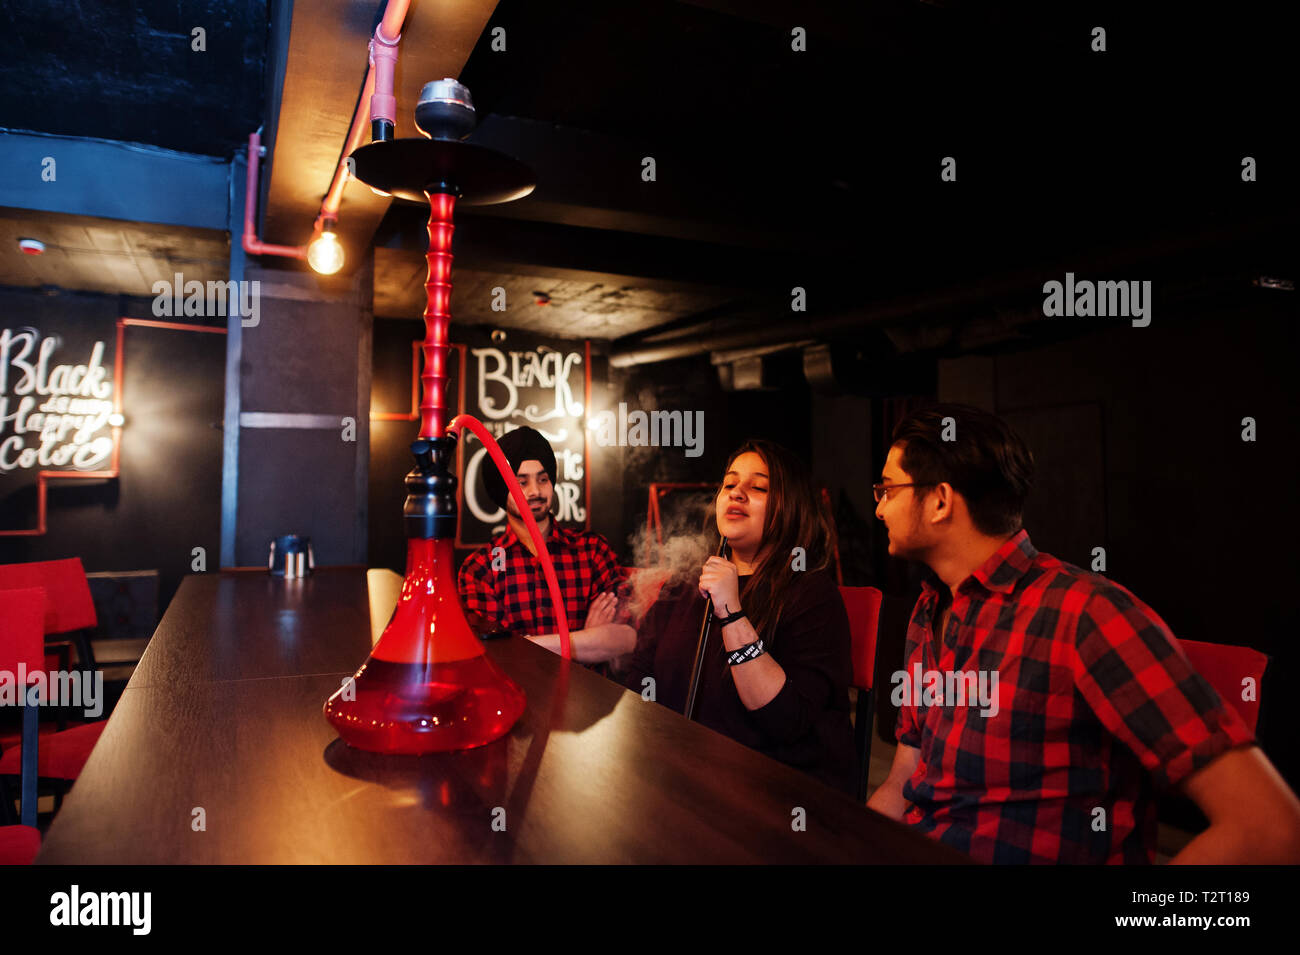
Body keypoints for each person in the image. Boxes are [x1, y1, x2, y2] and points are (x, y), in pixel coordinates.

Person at [867, 402, 1300, 863]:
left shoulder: (1087, 614)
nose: (878, 509)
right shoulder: (929, 606)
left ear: (939, 501)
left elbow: (1270, 826)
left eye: (888, 490)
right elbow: (905, 777)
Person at [621, 439, 856, 794]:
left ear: (790, 506)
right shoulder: (685, 582)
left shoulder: (812, 594)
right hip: (685, 781)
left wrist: (731, 612)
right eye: (730, 484)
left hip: (777, 796)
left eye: (758, 487)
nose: (737, 494)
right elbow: (639, 681)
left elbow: (786, 720)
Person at [457, 426, 634, 666]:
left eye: (543, 479)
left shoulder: (593, 550)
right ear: (502, 491)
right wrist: (586, 641)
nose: (536, 491)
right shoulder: (481, 568)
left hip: (591, 700)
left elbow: (626, 639)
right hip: (520, 700)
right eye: (522, 482)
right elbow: (494, 655)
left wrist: (524, 643)